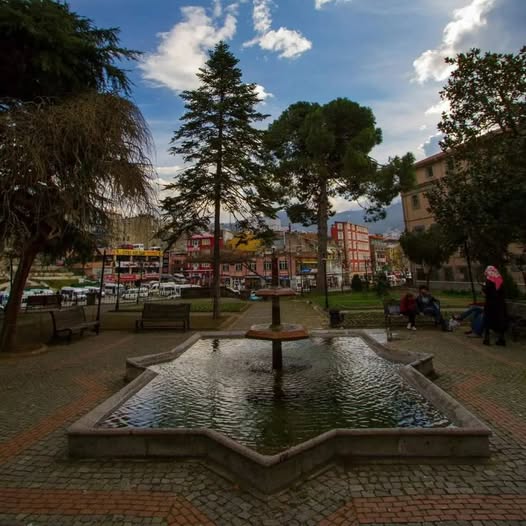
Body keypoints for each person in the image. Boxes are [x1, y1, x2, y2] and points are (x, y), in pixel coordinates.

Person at [482, 266, 507, 346]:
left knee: (488, 320)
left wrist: (484, 288)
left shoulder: (489, 280)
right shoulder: (499, 279)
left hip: (490, 304)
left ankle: (487, 338)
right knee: (500, 320)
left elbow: (486, 291)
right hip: (500, 305)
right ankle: (501, 339)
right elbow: (502, 292)